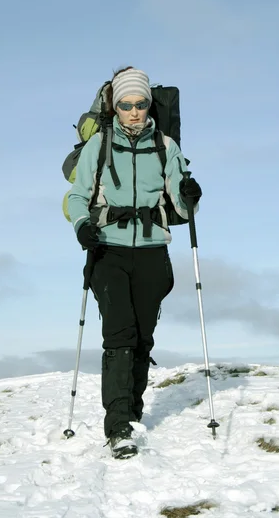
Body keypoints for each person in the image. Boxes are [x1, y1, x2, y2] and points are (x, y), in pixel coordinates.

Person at [67, 67, 202, 459]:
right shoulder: (100, 145)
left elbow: (179, 204)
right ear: (115, 106)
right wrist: (81, 227)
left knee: (143, 337)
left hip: (152, 249)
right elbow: (79, 196)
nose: (134, 111)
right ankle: (119, 425)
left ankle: (133, 412)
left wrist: (191, 194)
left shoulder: (166, 146)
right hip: (107, 248)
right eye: (125, 105)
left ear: (147, 105)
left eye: (141, 104)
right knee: (120, 334)